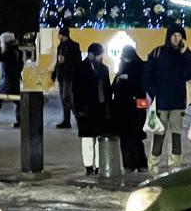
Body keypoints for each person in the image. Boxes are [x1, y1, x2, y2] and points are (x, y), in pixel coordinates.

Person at [145, 22, 191, 170]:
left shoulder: (184, 55)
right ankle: (153, 167)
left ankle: (175, 166)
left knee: (176, 136)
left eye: (179, 35)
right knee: (158, 137)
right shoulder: (158, 53)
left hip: (177, 103)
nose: (176, 38)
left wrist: (186, 53)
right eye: (174, 35)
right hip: (161, 103)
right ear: (168, 37)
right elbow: (147, 75)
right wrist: (154, 93)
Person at [73, 42, 112, 175]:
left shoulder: (104, 69)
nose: (101, 59)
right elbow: (76, 91)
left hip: (100, 108)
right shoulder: (80, 69)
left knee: (99, 138)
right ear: (91, 55)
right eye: (99, 56)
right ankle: (88, 166)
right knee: (88, 139)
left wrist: (108, 108)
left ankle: (98, 165)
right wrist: (79, 109)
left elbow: (107, 89)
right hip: (86, 109)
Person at [112, 43, 148, 172]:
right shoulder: (125, 68)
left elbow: (141, 87)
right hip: (125, 109)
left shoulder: (137, 68)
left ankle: (136, 164)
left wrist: (128, 78)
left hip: (132, 109)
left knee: (133, 137)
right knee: (129, 138)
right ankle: (132, 164)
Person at [51, 26, 82, 129]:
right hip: (61, 75)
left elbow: (78, 61)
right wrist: (54, 74)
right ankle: (66, 120)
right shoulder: (60, 46)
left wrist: (66, 60)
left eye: (60, 34)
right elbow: (58, 61)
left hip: (69, 75)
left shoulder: (74, 46)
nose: (59, 36)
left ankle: (78, 117)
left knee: (67, 96)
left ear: (64, 35)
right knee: (63, 99)